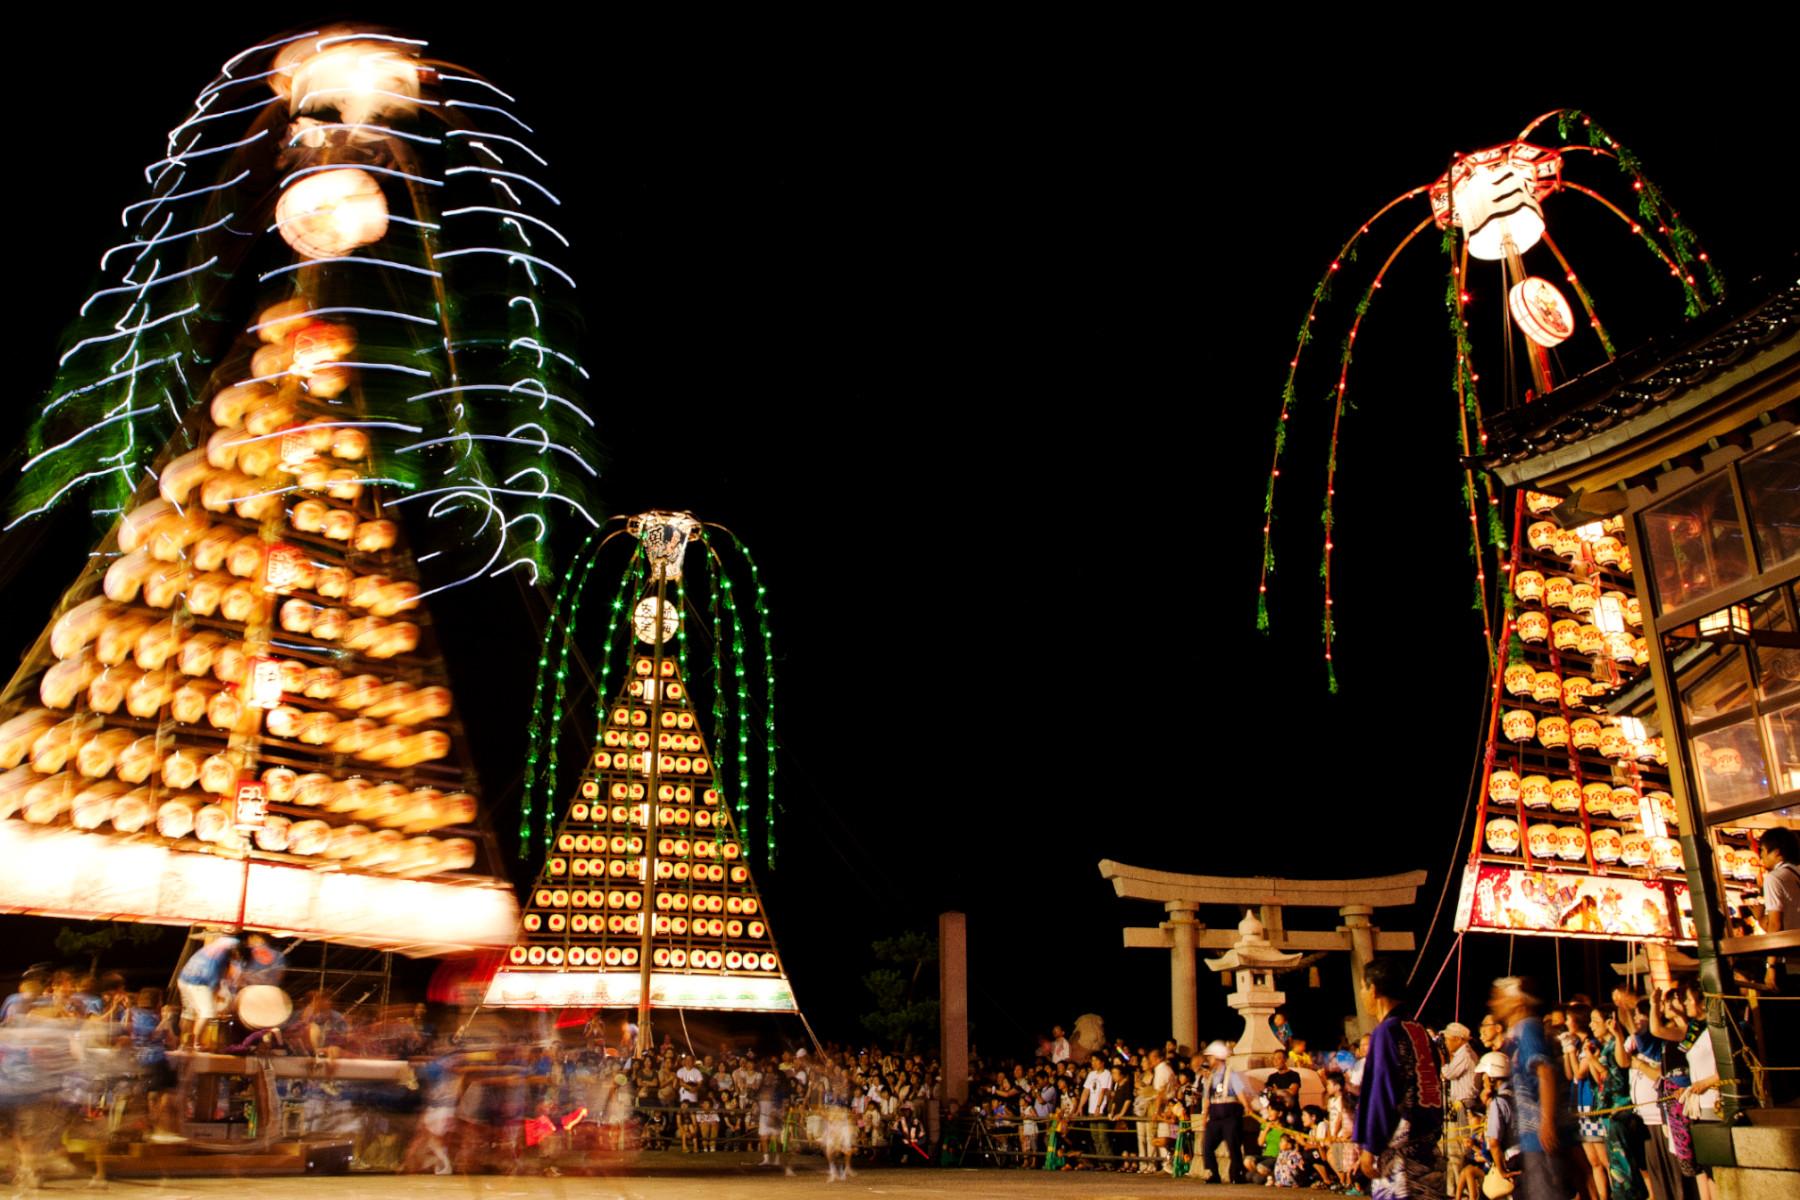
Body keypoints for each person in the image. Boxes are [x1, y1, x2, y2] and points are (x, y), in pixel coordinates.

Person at [1354, 958, 1446, 1200]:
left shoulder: (1387, 1031)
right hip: (1426, 1146)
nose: (1362, 994)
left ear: (1373, 990)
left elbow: (1382, 1091)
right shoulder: (1418, 1029)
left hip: (1400, 1150)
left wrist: (1370, 1144)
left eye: (1363, 987)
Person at [1491, 976, 1578, 1200]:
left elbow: (1545, 1071)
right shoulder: (1518, 1032)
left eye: (1500, 998)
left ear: (1518, 1001)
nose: (1495, 1004)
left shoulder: (1529, 1028)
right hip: (1531, 1135)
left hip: (1540, 1135)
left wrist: (1546, 1122)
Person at [1200, 1040, 1253, 1184]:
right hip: (1215, 1117)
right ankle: (1213, 1173)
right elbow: (1207, 1098)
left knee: (1233, 1146)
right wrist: (1204, 1116)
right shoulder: (1210, 1077)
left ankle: (1236, 1174)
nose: (1209, 1060)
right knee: (1207, 1145)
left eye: (1210, 1057)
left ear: (1217, 1058)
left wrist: (1246, 1106)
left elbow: (1239, 1092)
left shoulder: (1231, 1074)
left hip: (1230, 1116)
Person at [176, 933, 239, 1046]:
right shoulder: (220, 954)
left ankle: (183, 1042)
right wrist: (216, 993)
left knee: (189, 1013)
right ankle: (196, 1043)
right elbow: (212, 976)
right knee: (207, 1012)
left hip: (183, 979)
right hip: (197, 983)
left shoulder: (209, 949)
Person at [1440, 1022, 1479, 1192]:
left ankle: (1461, 1189)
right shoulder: (1462, 1054)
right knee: (1455, 1149)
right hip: (1459, 1104)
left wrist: (1442, 1061)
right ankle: (1455, 1188)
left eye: (1448, 1039)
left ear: (1457, 1039)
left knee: (1460, 1148)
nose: (1446, 1043)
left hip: (1463, 1105)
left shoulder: (1464, 1054)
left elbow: (1447, 1073)